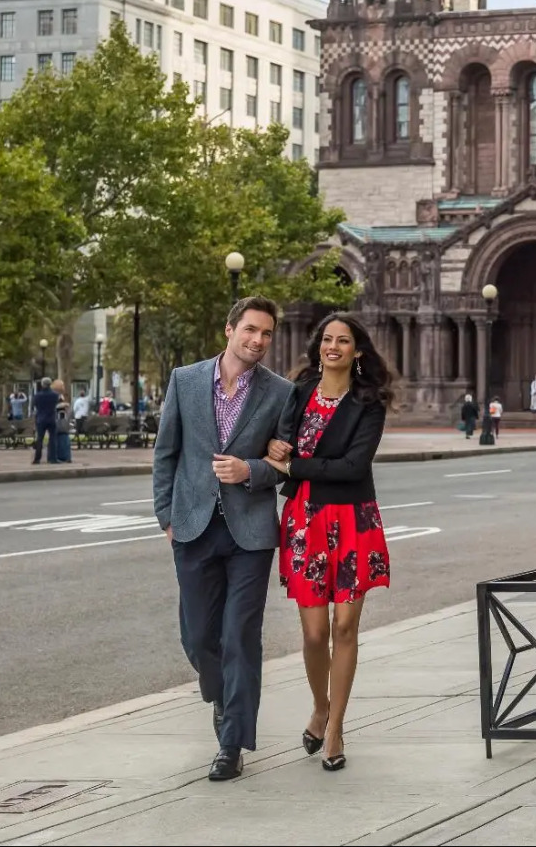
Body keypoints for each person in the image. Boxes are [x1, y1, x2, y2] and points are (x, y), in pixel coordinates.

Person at [151, 297, 295, 782]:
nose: (258, 341)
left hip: (250, 535)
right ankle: (218, 692)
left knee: (239, 637)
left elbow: (282, 465)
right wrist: (164, 515)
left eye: (267, 334)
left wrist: (249, 470)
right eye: (251, 330)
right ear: (230, 329)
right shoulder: (185, 380)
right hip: (191, 529)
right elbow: (166, 452)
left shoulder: (281, 393)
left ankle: (231, 743)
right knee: (198, 638)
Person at [265, 313, 392, 773]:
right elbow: (278, 443)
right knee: (315, 633)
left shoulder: (369, 401)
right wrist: (278, 450)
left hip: (353, 520)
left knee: (345, 629)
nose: (333, 346)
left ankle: (335, 726)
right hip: (304, 522)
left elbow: (354, 467)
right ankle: (320, 705)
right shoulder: (298, 393)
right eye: (327, 339)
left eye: (343, 340)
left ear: (358, 351)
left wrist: (295, 466)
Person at [31, 378, 58, 465]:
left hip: (41, 418)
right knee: (52, 439)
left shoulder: (37, 396)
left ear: (42, 384)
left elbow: (34, 405)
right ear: (50, 384)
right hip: (51, 418)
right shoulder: (55, 395)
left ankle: (37, 458)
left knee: (40, 439)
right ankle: (52, 458)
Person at [50, 380, 72, 464]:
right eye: (62, 386)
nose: (64, 387)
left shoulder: (60, 396)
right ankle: (63, 456)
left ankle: (65, 456)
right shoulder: (55, 396)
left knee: (62, 437)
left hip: (62, 419)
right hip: (58, 420)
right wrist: (63, 405)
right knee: (61, 436)